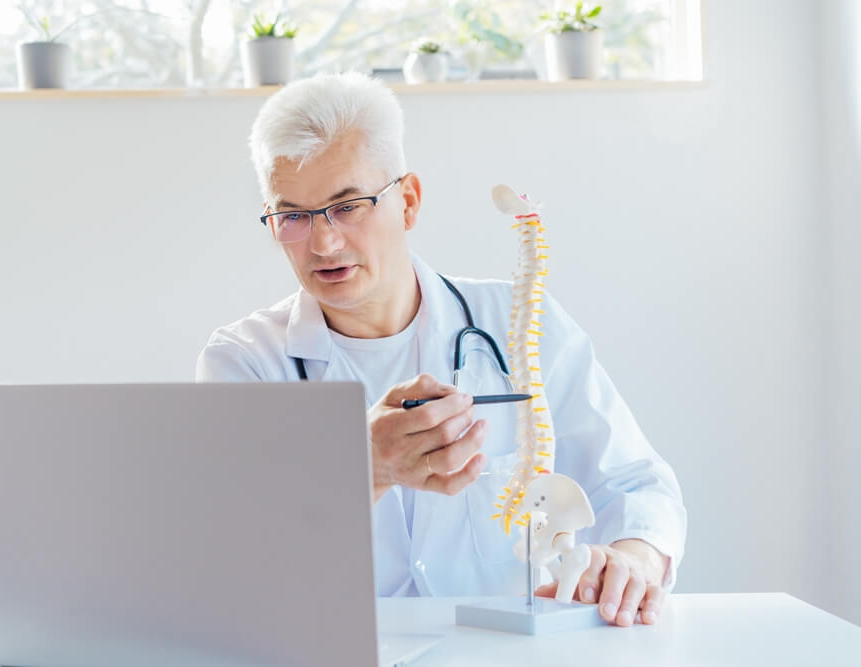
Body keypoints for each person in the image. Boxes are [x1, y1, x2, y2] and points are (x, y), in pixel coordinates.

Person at [196, 72, 686, 628]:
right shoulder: (246, 363)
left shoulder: (520, 324)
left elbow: (636, 483)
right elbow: (233, 561)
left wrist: (634, 560)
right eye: (293, 217)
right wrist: (364, 468)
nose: (324, 243)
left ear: (407, 202)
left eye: (348, 205)